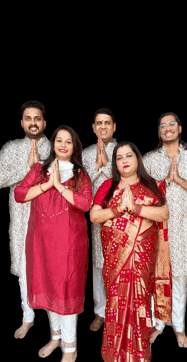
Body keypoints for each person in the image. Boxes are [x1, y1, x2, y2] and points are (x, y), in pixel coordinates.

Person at [14, 126, 93, 362]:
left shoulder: (80, 174)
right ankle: (55, 337)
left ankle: (70, 348)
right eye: (59, 140)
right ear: (53, 144)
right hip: (41, 242)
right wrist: (47, 184)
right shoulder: (39, 170)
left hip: (69, 244)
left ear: (74, 147)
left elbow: (85, 203)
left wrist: (59, 186)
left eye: (68, 141)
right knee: (48, 288)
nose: (62, 144)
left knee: (66, 291)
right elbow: (19, 194)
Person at [90, 141, 172, 362]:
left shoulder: (152, 185)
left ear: (137, 159)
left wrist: (135, 207)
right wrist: (116, 210)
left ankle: (140, 355)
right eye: (119, 157)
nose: (124, 160)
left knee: (140, 304)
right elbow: (95, 216)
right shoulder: (107, 185)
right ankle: (113, 355)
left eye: (129, 156)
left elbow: (163, 213)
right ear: (115, 163)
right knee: (116, 304)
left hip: (143, 260)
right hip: (116, 260)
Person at [143, 112, 187, 348]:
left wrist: (179, 180)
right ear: (159, 132)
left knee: (179, 279)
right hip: (155, 229)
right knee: (156, 277)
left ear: (180, 128)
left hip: (184, 229)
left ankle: (179, 328)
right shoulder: (150, 159)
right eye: (162, 126)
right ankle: (158, 324)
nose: (167, 128)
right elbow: (140, 192)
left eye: (172, 124)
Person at [0, 100, 50, 339]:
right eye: (28, 118)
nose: (33, 122)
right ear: (22, 122)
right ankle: (28, 317)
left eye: (37, 118)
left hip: (50, 219)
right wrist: (28, 169)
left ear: (44, 122)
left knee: (50, 268)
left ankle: (54, 319)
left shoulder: (57, 146)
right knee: (26, 269)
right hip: (21, 219)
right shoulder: (11, 148)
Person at [82, 108, 117, 331]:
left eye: (107, 122)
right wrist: (98, 168)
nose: (103, 126)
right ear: (93, 128)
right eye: (98, 123)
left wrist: (106, 166)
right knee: (98, 264)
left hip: (121, 215)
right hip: (95, 220)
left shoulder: (124, 150)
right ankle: (100, 311)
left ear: (114, 127)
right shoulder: (85, 153)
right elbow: (82, 184)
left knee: (121, 263)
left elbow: (129, 179)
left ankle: (118, 311)